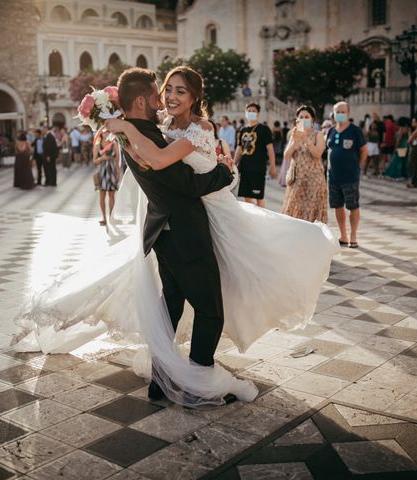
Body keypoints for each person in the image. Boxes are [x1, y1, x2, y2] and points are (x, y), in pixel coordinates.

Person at [101, 67, 338, 403]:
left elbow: (179, 173)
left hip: (170, 229)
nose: (167, 98)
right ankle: (198, 384)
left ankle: (162, 379)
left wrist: (217, 166)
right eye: (166, 91)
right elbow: (184, 183)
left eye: (179, 91)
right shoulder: (149, 132)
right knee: (209, 310)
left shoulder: (159, 129)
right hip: (184, 229)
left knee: (171, 304)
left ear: (195, 97)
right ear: (142, 100)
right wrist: (224, 173)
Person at [327, 101, 368, 248]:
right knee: (337, 206)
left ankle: (353, 236)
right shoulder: (331, 131)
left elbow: (364, 150)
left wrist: (357, 165)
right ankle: (343, 235)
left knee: (353, 206)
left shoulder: (355, 131)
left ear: (348, 113)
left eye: (343, 112)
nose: (340, 114)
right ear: (334, 113)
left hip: (350, 176)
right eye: (338, 112)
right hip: (333, 177)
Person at [281, 105, 328, 223]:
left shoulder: (318, 134)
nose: (303, 119)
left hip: (314, 179)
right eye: (301, 117)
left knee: (311, 211)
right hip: (297, 179)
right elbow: (286, 156)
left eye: (306, 117)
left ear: (312, 119)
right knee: (294, 210)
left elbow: (317, 154)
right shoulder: (294, 134)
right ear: (297, 119)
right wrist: (295, 142)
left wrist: (306, 138)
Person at [234, 102, 278, 208]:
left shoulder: (264, 129)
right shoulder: (242, 130)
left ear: (258, 113)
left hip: (258, 168)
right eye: (249, 111)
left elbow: (270, 149)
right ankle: (253, 217)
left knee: (258, 197)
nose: (251, 113)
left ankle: (261, 218)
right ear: (245, 113)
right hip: (244, 167)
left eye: (253, 111)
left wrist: (273, 167)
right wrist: (233, 163)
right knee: (246, 196)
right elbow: (239, 148)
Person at [93, 131, 121, 225]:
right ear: (101, 134)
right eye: (104, 132)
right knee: (102, 196)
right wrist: (102, 158)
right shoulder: (97, 145)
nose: (106, 134)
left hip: (112, 172)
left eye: (107, 132)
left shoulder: (114, 144)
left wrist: (118, 174)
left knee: (112, 195)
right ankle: (104, 218)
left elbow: (117, 160)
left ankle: (111, 217)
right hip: (102, 172)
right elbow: (94, 161)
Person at [406, 117, 417, 188]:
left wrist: (409, 132)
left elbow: (409, 141)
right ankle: (415, 181)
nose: (412, 123)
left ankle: (414, 182)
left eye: (413, 122)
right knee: (415, 165)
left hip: (414, 149)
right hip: (416, 149)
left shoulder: (416, 131)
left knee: (414, 166)